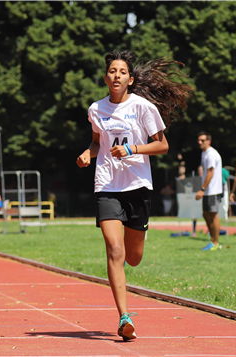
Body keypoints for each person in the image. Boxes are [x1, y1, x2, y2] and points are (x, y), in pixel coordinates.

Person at [76, 50, 192, 341]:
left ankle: (130, 257)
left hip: (138, 186)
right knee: (114, 250)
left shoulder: (143, 108)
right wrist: (86, 154)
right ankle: (124, 317)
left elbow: (162, 146)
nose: (116, 75)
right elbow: (96, 143)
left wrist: (132, 149)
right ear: (106, 78)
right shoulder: (96, 109)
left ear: (129, 79)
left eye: (122, 71)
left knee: (134, 257)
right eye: (112, 71)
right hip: (107, 185)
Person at [195, 132, 223, 251]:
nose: (200, 142)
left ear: (209, 141)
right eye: (199, 140)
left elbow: (210, 173)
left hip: (213, 190)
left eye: (202, 140)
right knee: (206, 214)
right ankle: (213, 240)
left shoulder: (211, 154)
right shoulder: (204, 153)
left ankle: (215, 242)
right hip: (209, 190)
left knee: (213, 215)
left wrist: (202, 189)